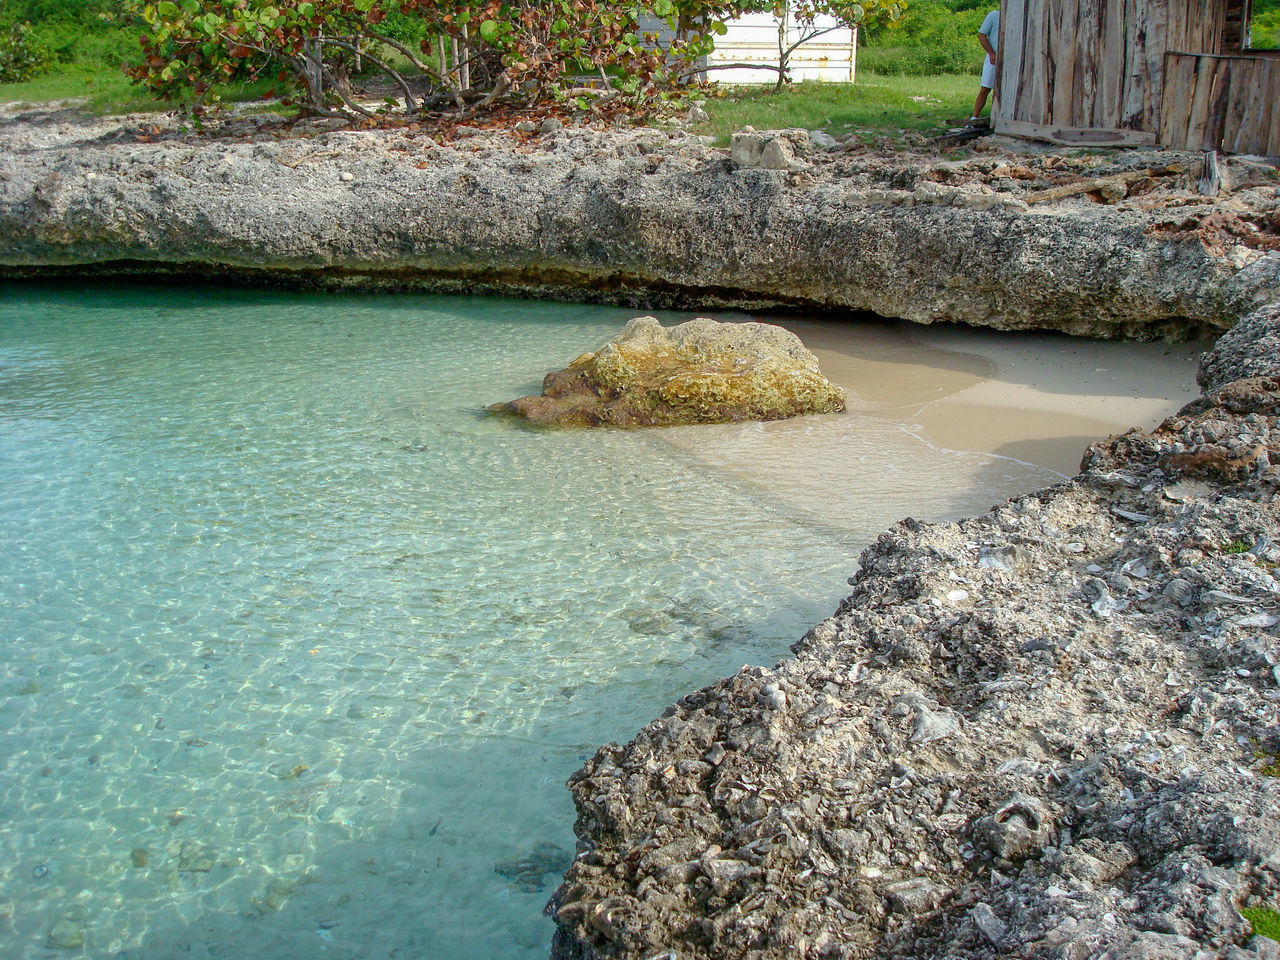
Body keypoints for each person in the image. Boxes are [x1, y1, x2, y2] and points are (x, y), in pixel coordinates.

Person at [969, 8, 1000, 125]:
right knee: (985, 89)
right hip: (993, 58)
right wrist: (991, 53)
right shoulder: (994, 15)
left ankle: (997, 117)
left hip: (1010, 60)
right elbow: (982, 35)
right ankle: (974, 118)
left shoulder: (1017, 17)